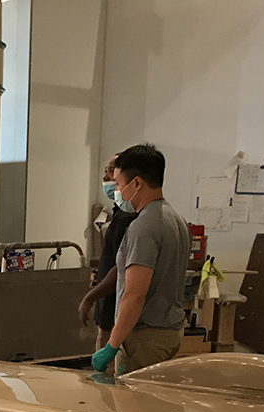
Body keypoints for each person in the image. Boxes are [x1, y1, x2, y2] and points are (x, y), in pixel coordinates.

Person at [91, 143, 189, 376]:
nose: (117, 191)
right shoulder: (176, 219)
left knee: (134, 408)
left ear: (136, 183)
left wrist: (111, 346)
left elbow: (135, 294)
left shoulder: (144, 226)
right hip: (170, 332)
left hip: (145, 338)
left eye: (118, 184)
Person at [79, 154, 138, 370]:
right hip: (108, 313)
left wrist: (89, 298)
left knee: (108, 386)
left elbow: (122, 269)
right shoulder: (119, 213)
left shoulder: (129, 218)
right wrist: (98, 274)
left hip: (116, 316)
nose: (106, 177)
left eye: (111, 171)